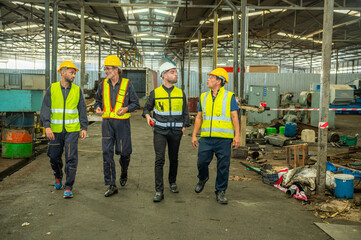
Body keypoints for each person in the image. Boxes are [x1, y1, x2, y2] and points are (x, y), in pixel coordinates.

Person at [191, 67, 240, 204]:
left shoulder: (229, 96)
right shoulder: (204, 96)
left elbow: (234, 116)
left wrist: (237, 136)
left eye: (211, 77)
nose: (208, 79)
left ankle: (220, 191)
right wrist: (194, 135)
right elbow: (199, 117)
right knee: (202, 162)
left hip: (223, 139)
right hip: (206, 138)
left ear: (219, 81)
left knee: (223, 166)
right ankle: (203, 178)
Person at [40, 61, 88, 199]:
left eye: (74, 73)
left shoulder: (77, 90)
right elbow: (45, 108)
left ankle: (68, 186)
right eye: (71, 72)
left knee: (71, 158)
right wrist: (47, 126)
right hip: (55, 130)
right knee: (53, 156)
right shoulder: (52, 88)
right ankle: (58, 176)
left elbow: (82, 110)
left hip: (72, 130)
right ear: (62, 72)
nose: (73, 75)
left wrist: (83, 127)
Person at [143, 62, 189, 202]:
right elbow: (146, 108)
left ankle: (172, 182)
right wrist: (148, 116)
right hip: (160, 131)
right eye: (172, 72)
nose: (175, 75)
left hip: (176, 132)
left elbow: (185, 113)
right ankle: (159, 190)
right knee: (159, 159)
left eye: (175, 72)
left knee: (173, 158)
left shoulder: (180, 93)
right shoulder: (155, 93)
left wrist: (184, 126)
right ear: (164, 75)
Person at [94, 55, 140, 197]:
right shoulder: (103, 85)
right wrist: (97, 108)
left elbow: (136, 104)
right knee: (107, 154)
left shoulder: (127, 84)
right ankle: (111, 184)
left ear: (116, 69)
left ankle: (124, 171)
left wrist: (126, 109)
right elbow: (97, 101)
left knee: (125, 153)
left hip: (122, 124)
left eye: (107, 69)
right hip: (107, 124)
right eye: (105, 69)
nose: (105, 72)